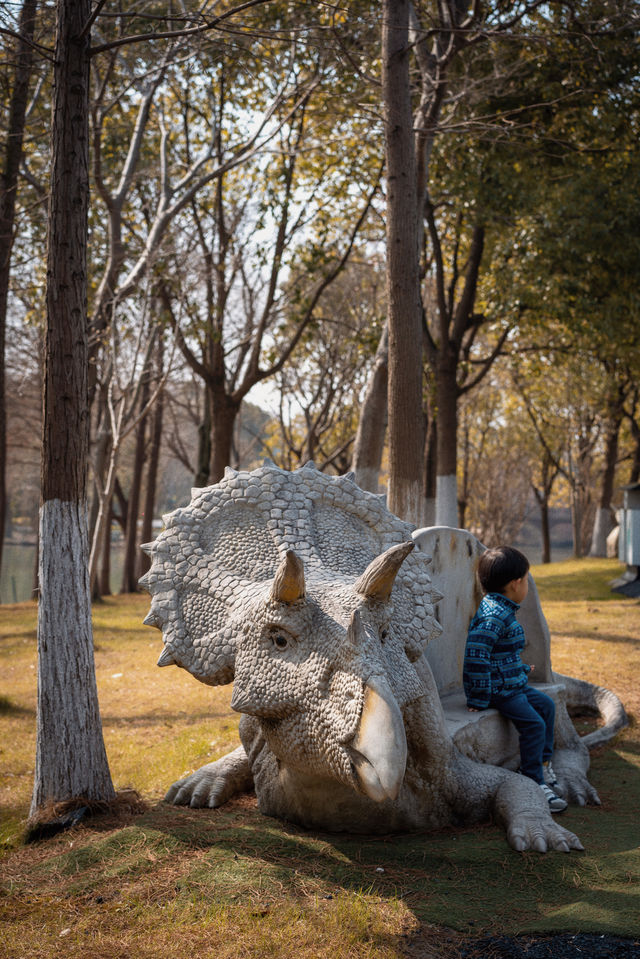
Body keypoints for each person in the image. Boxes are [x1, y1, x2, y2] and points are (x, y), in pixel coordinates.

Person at [462, 546, 567, 813]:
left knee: (547, 706)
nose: (527, 586)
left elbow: (500, 654)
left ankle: (542, 764)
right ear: (516, 583)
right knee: (533, 725)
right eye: (527, 580)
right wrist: (479, 697)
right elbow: (476, 656)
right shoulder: (494, 616)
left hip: (513, 684)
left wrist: (521, 669)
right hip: (501, 691)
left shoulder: (502, 609)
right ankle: (533, 780)